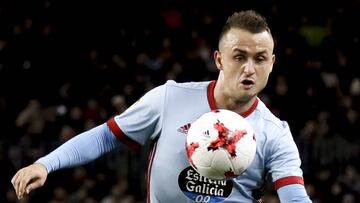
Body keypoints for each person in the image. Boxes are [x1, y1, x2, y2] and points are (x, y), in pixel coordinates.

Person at [11, 10, 312, 202]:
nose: (249, 68)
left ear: (272, 64)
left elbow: (295, 198)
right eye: (239, 56)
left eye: (260, 59)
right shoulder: (170, 98)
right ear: (219, 59)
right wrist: (45, 163)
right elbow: (107, 135)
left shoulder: (275, 134)